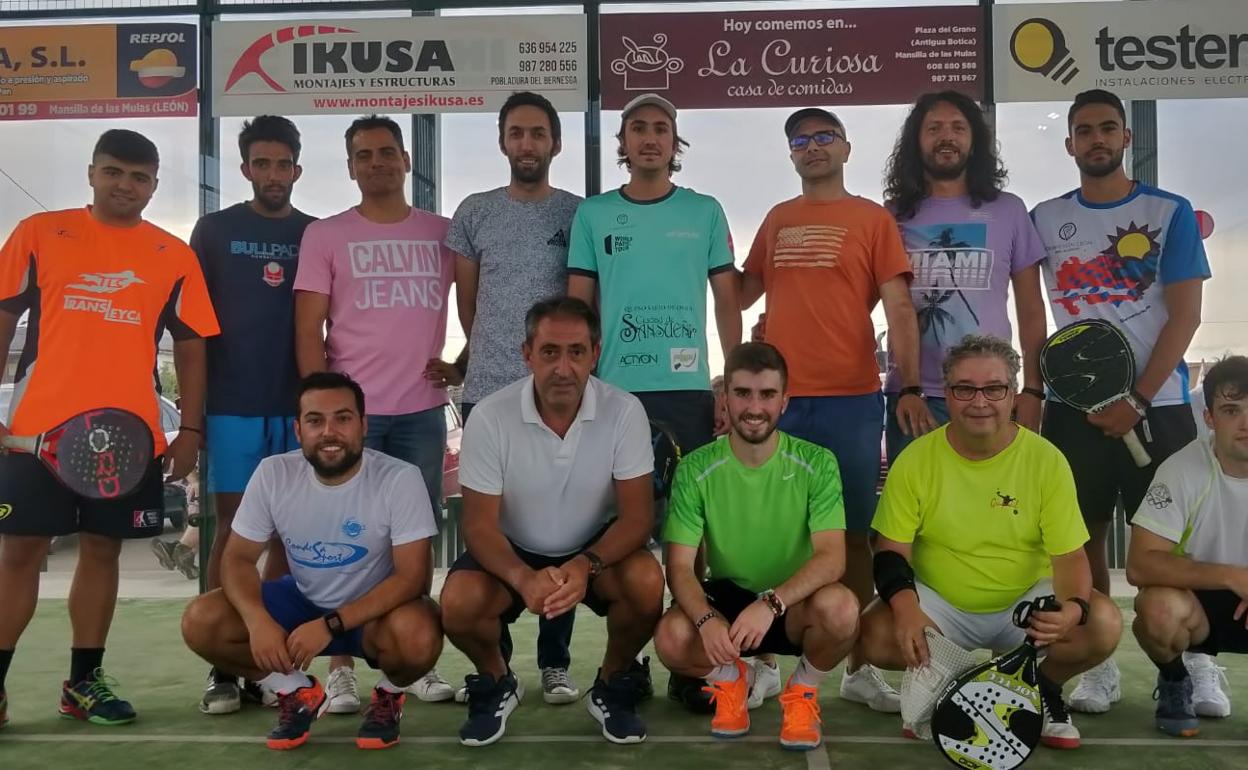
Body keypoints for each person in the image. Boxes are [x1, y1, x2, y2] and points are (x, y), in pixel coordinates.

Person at [0, 129, 218, 728]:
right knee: (19, 554)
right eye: (115, 172)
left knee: (102, 552)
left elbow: (192, 345)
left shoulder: (173, 256)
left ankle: (84, 681)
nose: (126, 186)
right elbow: (1, 317)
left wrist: (190, 430)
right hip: (34, 436)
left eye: (140, 177)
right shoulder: (39, 235)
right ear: (92, 173)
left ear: (153, 185)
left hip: (129, 442)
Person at [1032, 89, 1210, 713]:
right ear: (1070, 143)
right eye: (1085, 131)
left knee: (1169, 547)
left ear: (1126, 139)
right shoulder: (1044, 218)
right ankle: (1097, 662)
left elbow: (1186, 316)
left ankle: (1187, 663)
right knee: (1080, 543)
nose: (1097, 139)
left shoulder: (1170, 211)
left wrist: (1134, 399)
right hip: (1072, 410)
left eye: (1109, 128)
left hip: (1157, 409)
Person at [741, 106, 923, 713]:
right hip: (779, 402)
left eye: (823, 137)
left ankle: (856, 668)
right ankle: (762, 663)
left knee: (850, 537)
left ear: (845, 148)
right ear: (790, 154)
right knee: (766, 533)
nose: (811, 147)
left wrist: (910, 384)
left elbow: (899, 308)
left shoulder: (873, 220)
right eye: (800, 140)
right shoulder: (777, 219)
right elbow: (738, 292)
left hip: (851, 398)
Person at [856, 334, 1123, 749]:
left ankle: (1043, 688)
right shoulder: (916, 459)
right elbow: (891, 553)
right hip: (941, 609)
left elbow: (1070, 557)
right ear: (947, 393)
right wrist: (907, 611)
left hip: (1024, 608)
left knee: (1102, 623)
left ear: (1013, 394)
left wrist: (1073, 609)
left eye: (994, 388)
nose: (979, 401)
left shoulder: (1046, 460)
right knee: (873, 634)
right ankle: (951, 684)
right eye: (965, 388)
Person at [567, 92, 741, 713]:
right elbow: (579, 307)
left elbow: (726, 301)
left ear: (675, 142)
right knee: (626, 534)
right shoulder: (594, 215)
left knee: (689, 533)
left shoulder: (704, 212)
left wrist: (729, 377)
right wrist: (582, 380)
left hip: (688, 392)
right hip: (614, 393)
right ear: (622, 142)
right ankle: (631, 663)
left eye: (660, 129)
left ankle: (689, 661)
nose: (648, 138)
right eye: (637, 128)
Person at [439, 297, 664, 746]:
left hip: (594, 548)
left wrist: (586, 565)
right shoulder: (488, 416)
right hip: (514, 546)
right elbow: (480, 525)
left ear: (595, 354)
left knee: (645, 581)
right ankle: (497, 680)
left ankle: (613, 683)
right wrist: (523, 577)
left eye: (577, 352)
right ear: (527, 354)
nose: (564, 367)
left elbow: (638, 517)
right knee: (459, 601)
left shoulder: (624, 411)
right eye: (549, 352)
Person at [181, 372, 443, 751]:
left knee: (420, 634)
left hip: (376, 614)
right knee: (201, 621)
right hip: (301, 602)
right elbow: (237, 558)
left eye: (343, 418)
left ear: (363, 425)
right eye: (315, 420)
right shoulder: (274, 473)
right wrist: (257, 621)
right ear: (298, 429)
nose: (329, 431)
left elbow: (411, 578)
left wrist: (331, 624)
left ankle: (388, 696)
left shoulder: (399, 478)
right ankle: (296, 693)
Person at [294, 115, 457, 709]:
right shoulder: (325, 235)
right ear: (350, 166)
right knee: (347, 544)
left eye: (388, 152)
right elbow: (308, 327)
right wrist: (322, 408)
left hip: (420, 413)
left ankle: (412, 666)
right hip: (352, 422)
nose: (378, 162)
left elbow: (478, 304)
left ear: (407, 161)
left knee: (415, 543)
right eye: (364, 155)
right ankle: (340, 667)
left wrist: (461, 367)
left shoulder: (443, 232)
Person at [446, 91, 585, 705]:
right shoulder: (474, 212)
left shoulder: (580, 214)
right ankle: (495, 661)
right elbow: (468, 304)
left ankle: (555, 661)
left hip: (558, 399)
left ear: (555, 143)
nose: (527, 144)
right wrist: (475, 361)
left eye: (538, 134)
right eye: (516, 133)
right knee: (491, 529)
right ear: (503, 141)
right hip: (487, 395)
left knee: (561, 527)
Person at [655, 342, 859, 751]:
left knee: (842, 609)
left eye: (767, 394)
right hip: (730, 600)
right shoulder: (696, 467)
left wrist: (771, 604)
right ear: (724, 397)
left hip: (792, 604)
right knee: (671, 637)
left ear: (784, 401)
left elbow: (833, 557)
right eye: (743, 393)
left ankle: (801, 693)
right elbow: (678, 567)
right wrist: (705, 621)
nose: (754, 406)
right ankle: (733, 683)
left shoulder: (817, 463)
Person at [191, 115, 317, 714]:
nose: (273, 174)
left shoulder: (315, 233)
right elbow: (191, 327)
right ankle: (223, 663)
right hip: (233, 403)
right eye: (261, 163)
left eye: (282, 163)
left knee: (286, 535)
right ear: (245, 169)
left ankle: (270, 664)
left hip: (297, 408)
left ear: (297, 167)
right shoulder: (213, 230)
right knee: (233, 529)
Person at [881, 90, 1048, 462]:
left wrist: (1033, 389)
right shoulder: (891, 216)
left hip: (988, 395)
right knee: (915, 515)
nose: (947, 136)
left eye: (958, 127)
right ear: (916, 141)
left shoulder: (1009, 210)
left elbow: (1031, 308)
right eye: (934, 127)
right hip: (914, 397)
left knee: (995, 510)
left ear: (974, 142)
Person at [1127, 355, 1248, 736]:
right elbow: (1140, 566)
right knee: (1157, 608)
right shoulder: (1182, 469)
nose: (1246, 423)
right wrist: (1234, 576)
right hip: (1197, 603)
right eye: (1232, 410)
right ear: (1210, 418)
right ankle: (1177, 678)